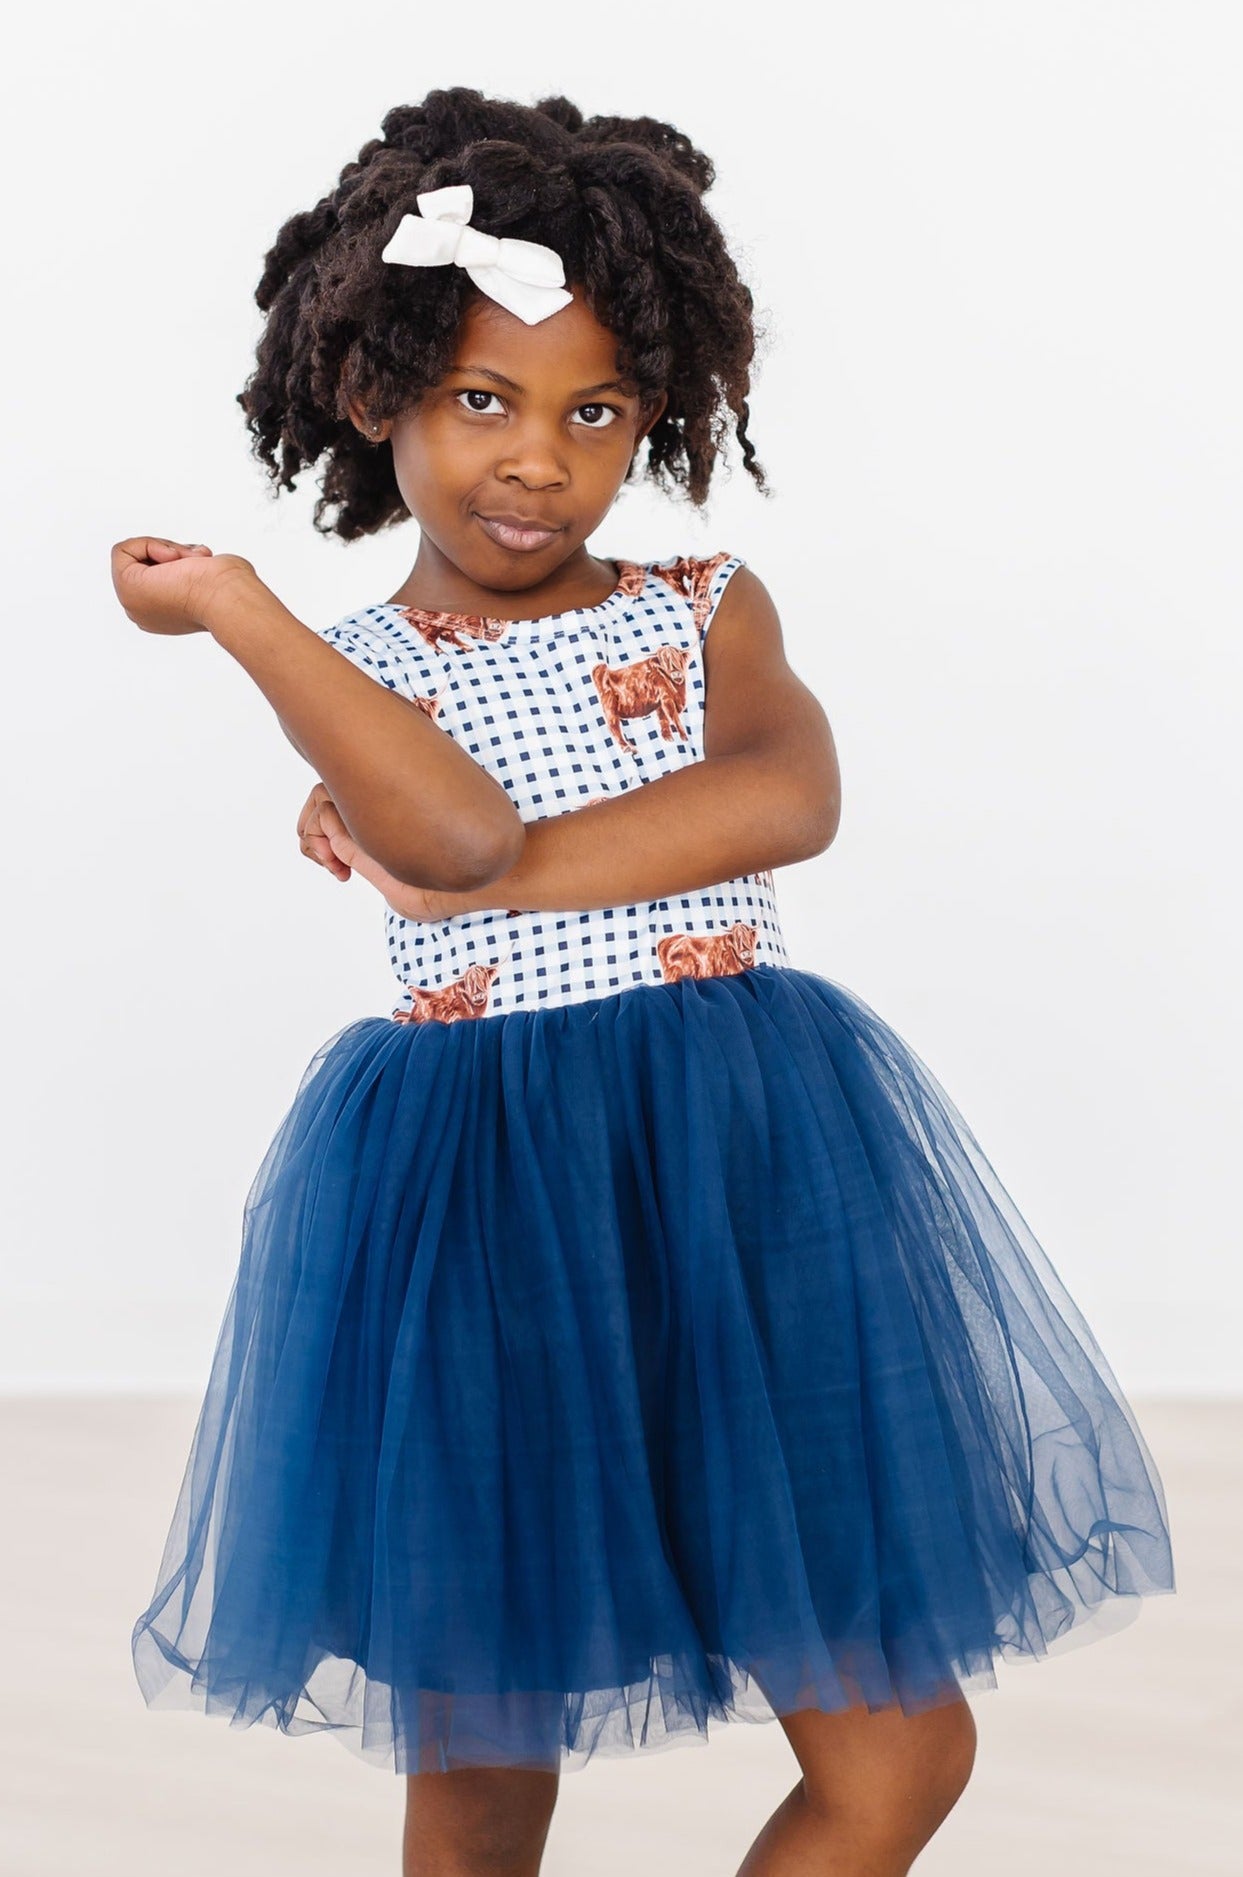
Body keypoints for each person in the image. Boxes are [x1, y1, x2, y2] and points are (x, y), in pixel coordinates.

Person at [113, 88, 1175, 1877]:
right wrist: (238, 607)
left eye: (593, 411)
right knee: (481, 1775)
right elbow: (448, 829)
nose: (539, 459)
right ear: (373, 394)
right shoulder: (353, 673)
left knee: (898, 1754)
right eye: (483, 400)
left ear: (654, 416)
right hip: (484, 1204)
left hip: (740, 1175)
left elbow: (784, 799)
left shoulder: (703, 608)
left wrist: (476, 867)